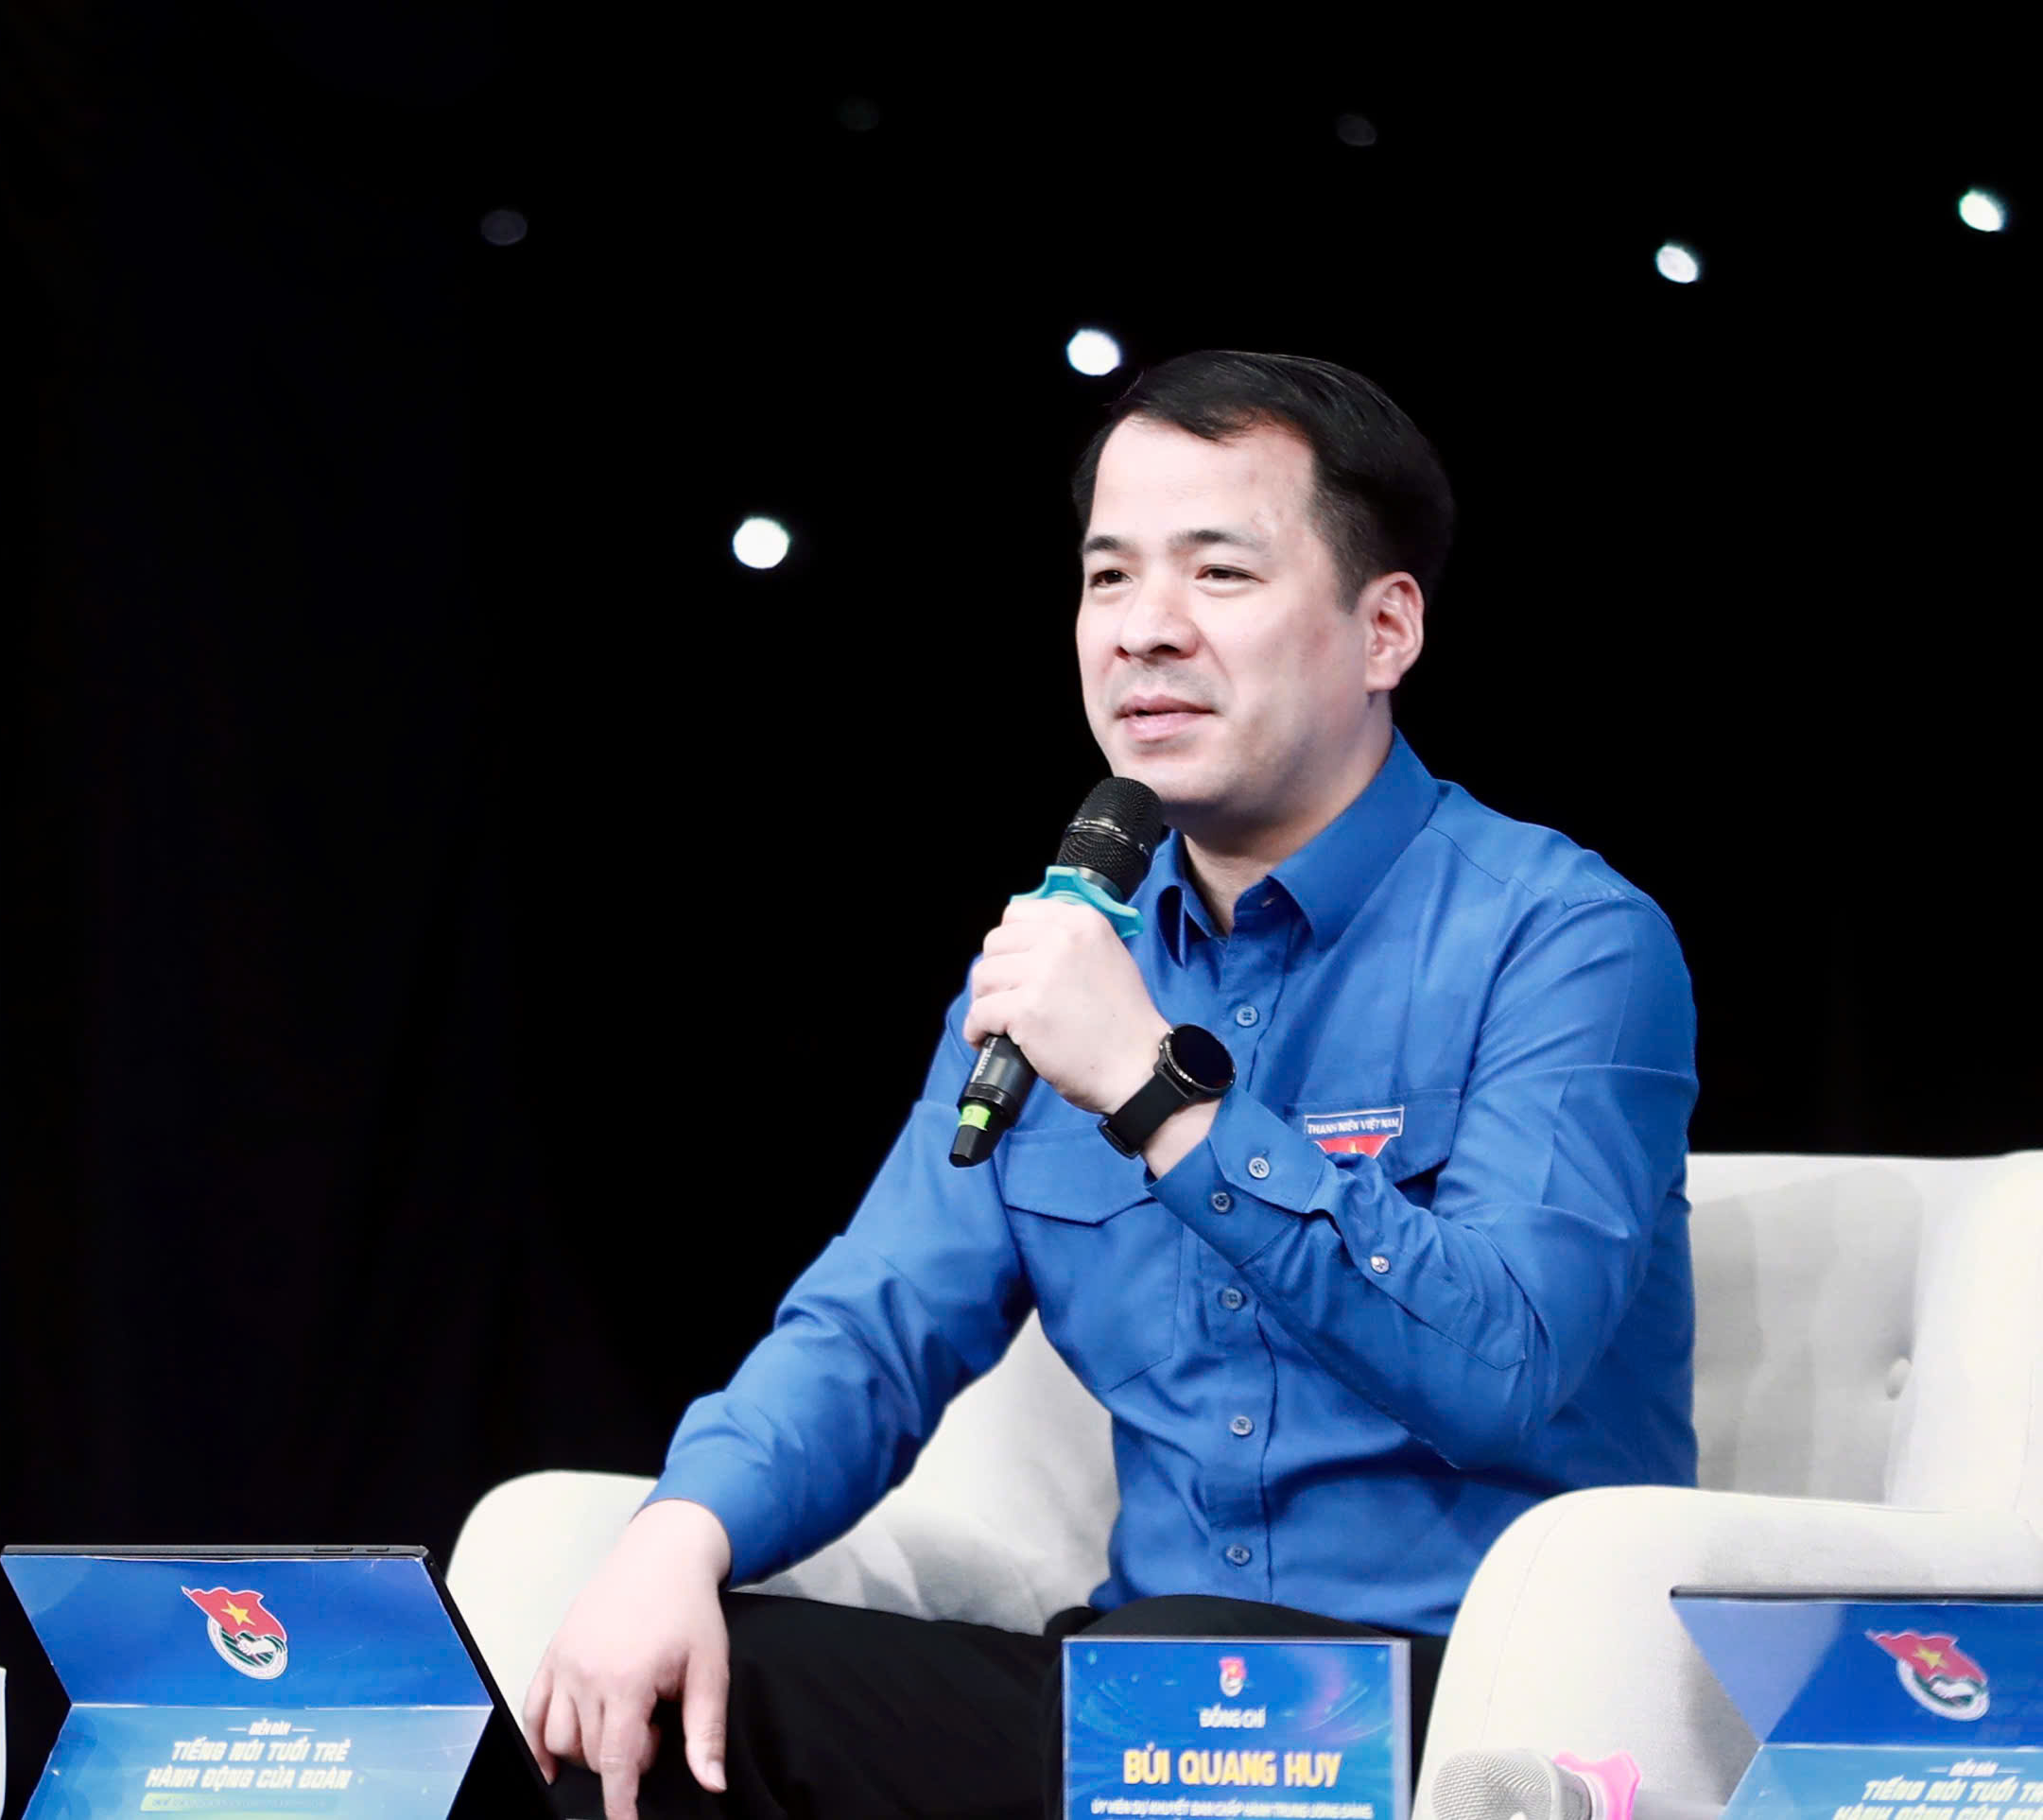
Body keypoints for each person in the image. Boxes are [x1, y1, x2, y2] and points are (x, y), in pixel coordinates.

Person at [527, 350, 1699, 1820]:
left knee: (1174, 1670)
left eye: (1220, 572)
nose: (1145, 628)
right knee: (673, 1706)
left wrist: (1156, 1090)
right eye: (1107, 577)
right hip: (1137, 1703)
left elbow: (1504, 1365)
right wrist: (681, 1529)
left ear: (1386, 626)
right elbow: (874, 1322)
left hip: (1466, 1703)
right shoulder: (1064, 959)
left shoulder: (1565, 937)